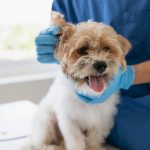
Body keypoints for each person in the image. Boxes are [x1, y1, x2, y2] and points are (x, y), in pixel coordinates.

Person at [35, 0, 150, 149]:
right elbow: (58, 23)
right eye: (83, 50)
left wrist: (130, 74)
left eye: (107, 50)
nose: (99, 60)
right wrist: (55, 42)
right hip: (69, 119)